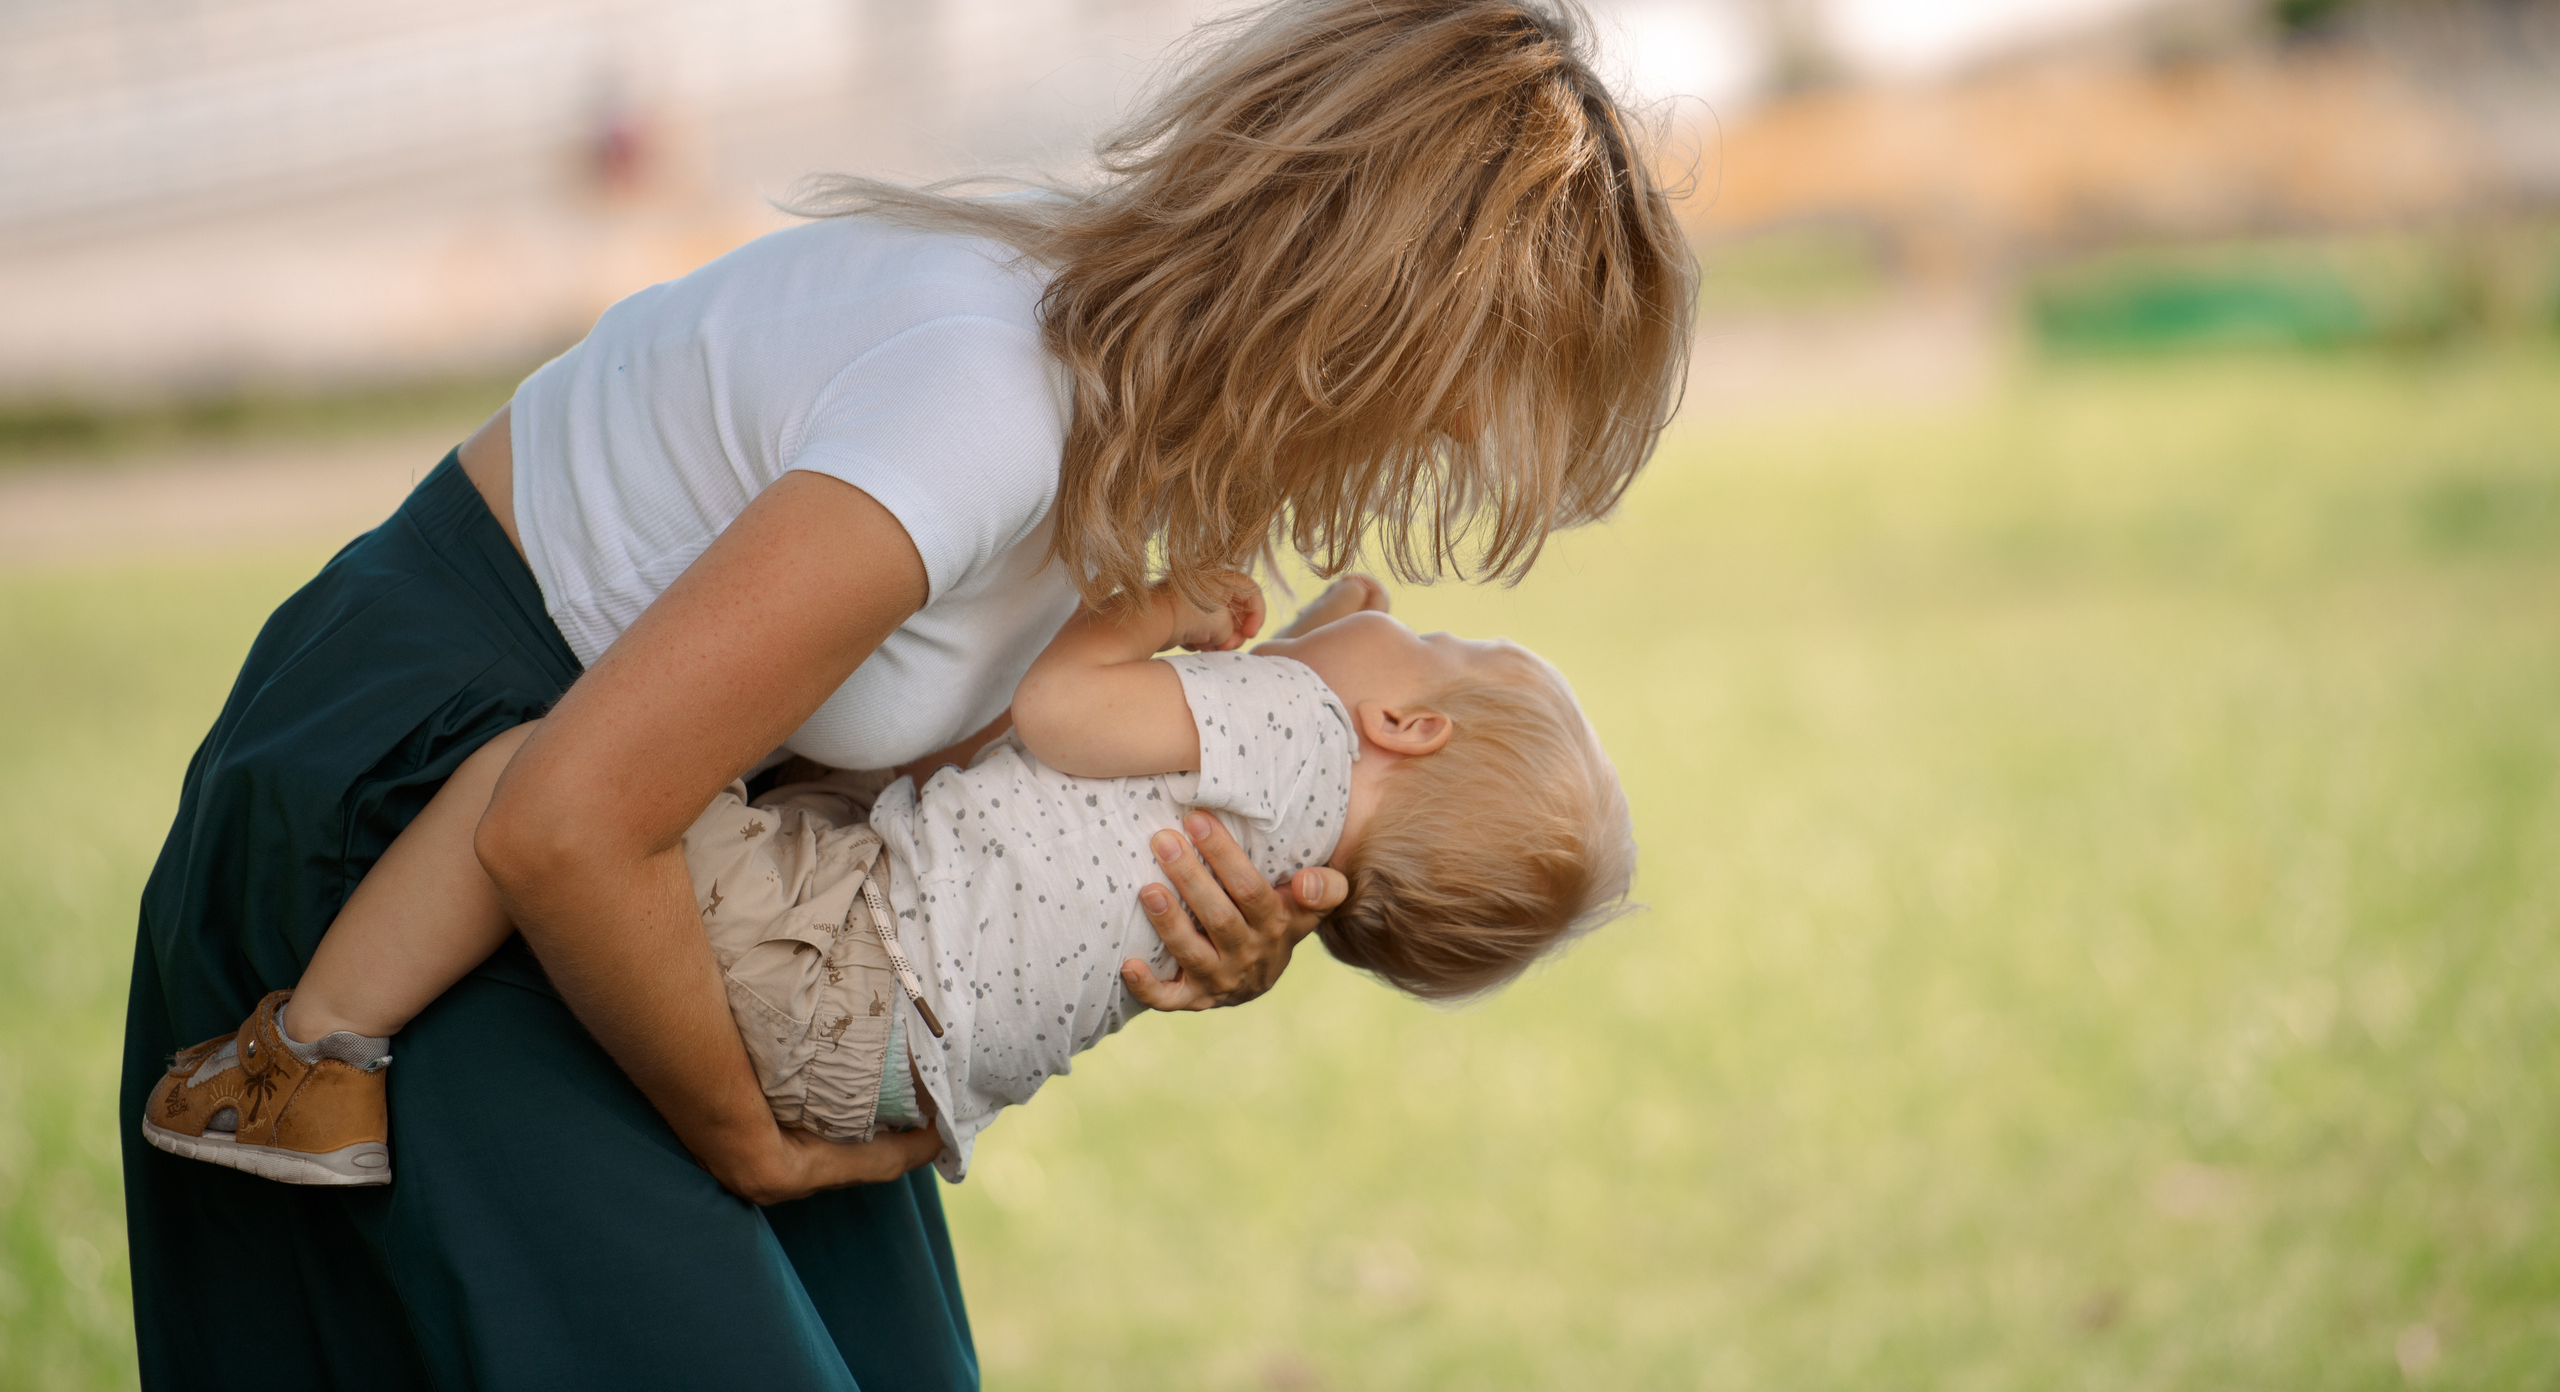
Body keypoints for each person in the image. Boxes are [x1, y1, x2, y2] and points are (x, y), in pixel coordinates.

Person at [120, 0, 1695, 1391]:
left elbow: (889, 753)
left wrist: (1192, 887)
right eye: (1445, 414)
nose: (1416, 476)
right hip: (436, 807)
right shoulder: (987, 395)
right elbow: (557, 817)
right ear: (1360, 322)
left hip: (706, 854)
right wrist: (751, 1140)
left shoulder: (1135, 396)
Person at [141, 574, 1632, 1186]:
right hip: (887, 1071)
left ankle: (311, 1056)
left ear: (1407, 723)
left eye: (1439, 640)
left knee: (541, 782)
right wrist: (1312, 632)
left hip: (843, 952)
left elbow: (1060, 709)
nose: (1401, 611)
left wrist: (1152, 606)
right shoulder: (1286, 849)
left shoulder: (1296, 725)